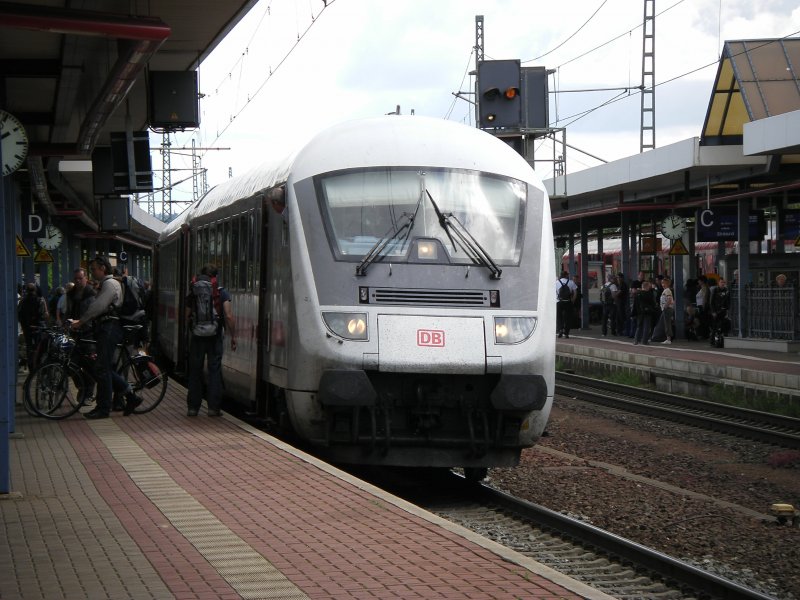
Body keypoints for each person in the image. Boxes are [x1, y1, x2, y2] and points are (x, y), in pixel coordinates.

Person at [69, 256, 142, 419]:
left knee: (102, 368)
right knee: (103, 368)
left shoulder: (110, 284)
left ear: (103, 268)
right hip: (107, 327)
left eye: (94, 269)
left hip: (109, 328)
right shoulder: (109, 283)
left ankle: (104, 408)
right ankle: (130, 396)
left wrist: (81, 322)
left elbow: (98, 306)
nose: (92, 272)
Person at [185, 264, 237, 417]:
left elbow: (187, 314)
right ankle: (213, 408)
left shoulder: (193, 292)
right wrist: (233, 335)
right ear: (216, 277)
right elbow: (228, 315)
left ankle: (193, 408)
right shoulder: (222, 293)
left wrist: (190, 330)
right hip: (214, 336)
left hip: (197, 337)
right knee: (214, 370)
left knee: (195, 370)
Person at [18, 282, 49, 370]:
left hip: (27, 326)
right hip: (38, 325)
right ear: (35, 289)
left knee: (29, 345)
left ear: (26, 290)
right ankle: (38, 364)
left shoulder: (23, 300)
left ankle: (30, 364)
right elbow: (45, 314)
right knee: (39, 345)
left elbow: (19, 313)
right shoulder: (40, 300)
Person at [651, 276, 675, 344]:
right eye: (662, 283)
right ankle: (667, 338)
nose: (662, 284)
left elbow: (670, 299)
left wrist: (665, 306)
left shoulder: (667, 290)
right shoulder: (666, 290)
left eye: (664, 283)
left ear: (667, 283)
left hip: (667, 309)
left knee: (667, 324)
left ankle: (668, 339)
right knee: (666, 323)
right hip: (667, 309)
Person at [632, 281, 657, 345]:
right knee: (646, 327)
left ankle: (636, 340)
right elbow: (653, 303)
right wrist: (653, 309)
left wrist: (634, 313)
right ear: (647, 286)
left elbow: (635, 305)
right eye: (649, 286)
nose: (649, 287)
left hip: (639, 313)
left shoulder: (637, 294)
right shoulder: (649, 294)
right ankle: (644, 341)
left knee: (639, 326)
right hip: (647, 312)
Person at [555, 270, 577, 339]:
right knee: (568, 318)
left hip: (559, 302)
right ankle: (566, 333)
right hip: (568, 302)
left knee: (559, 317)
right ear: (566, 275)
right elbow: (575, 292)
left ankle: (560, 330)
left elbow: (553, 292)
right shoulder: (571, 282)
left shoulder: (556, 282)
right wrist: (573, 300)